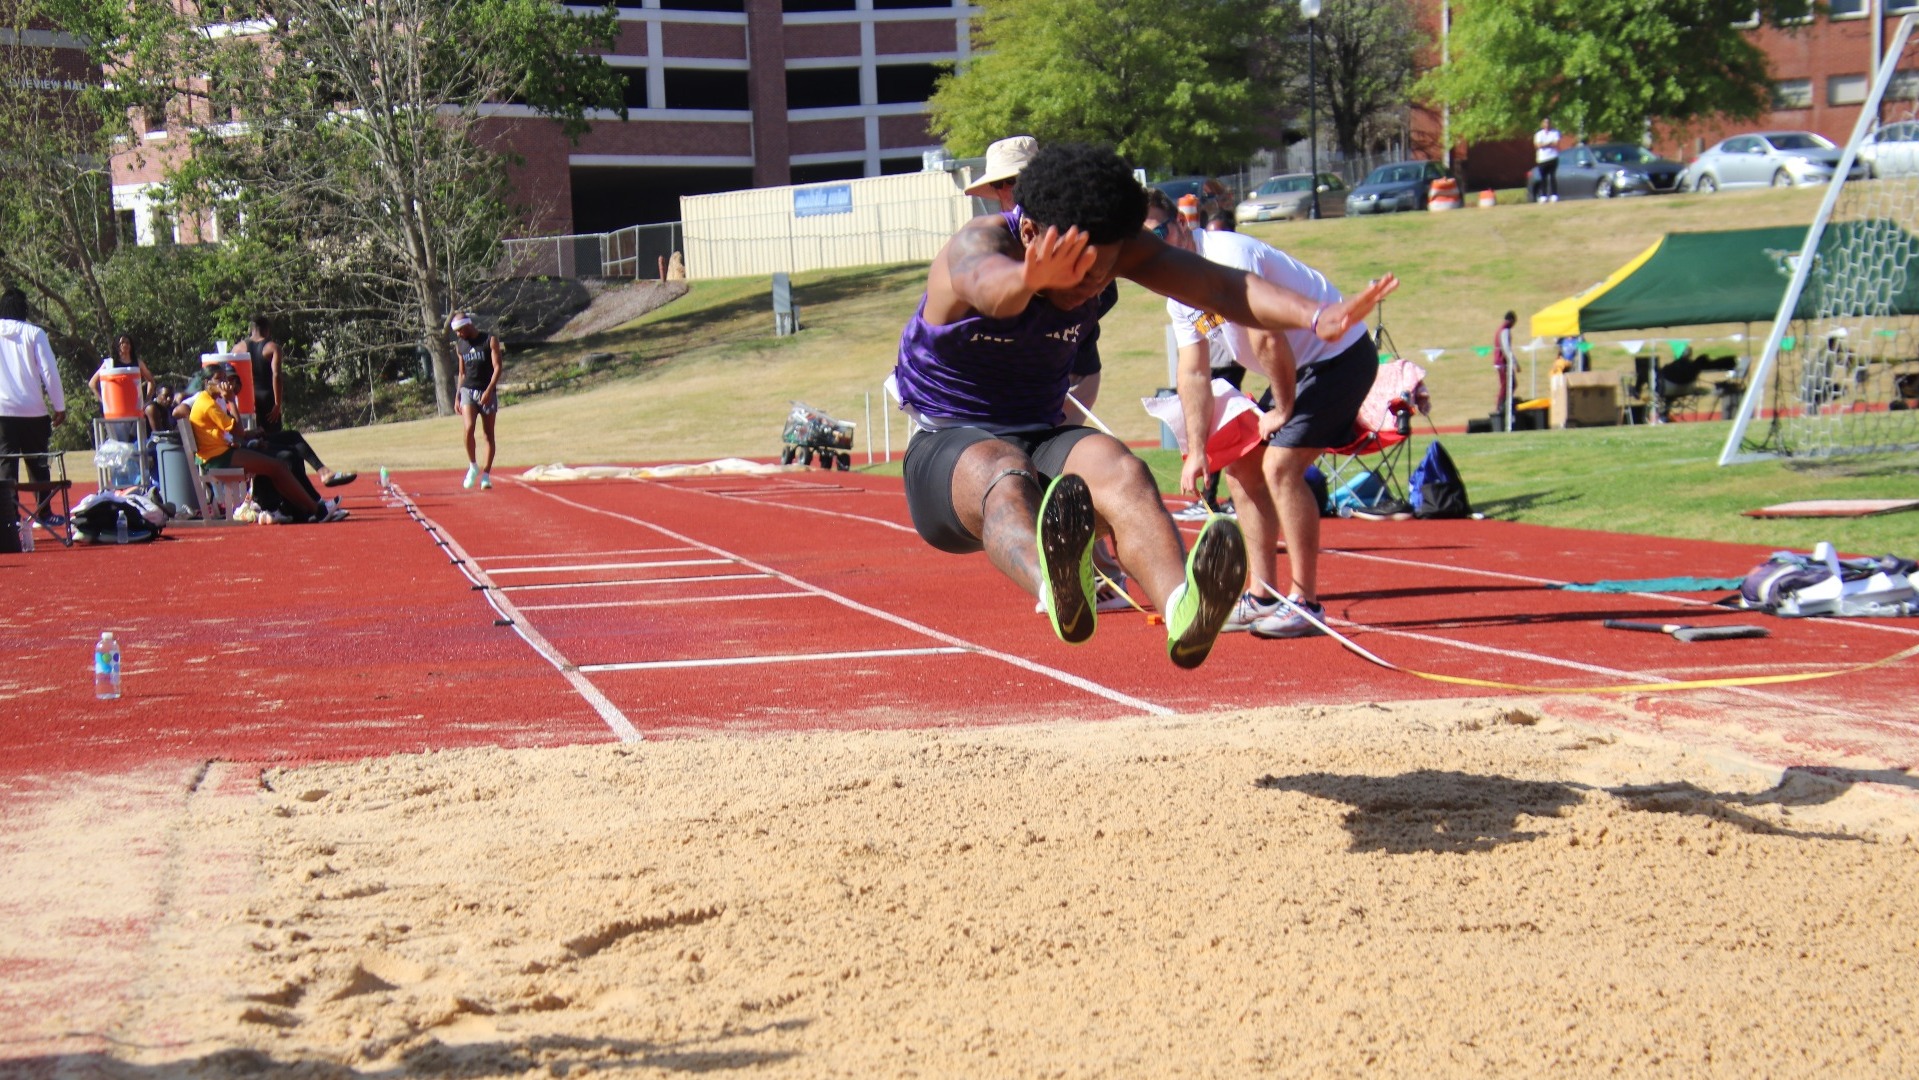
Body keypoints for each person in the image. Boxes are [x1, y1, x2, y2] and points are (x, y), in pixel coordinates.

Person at [891, 142, 1396, 668]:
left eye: (1103, 272)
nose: (1091, 285)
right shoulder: (977, 245)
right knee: (1004, 471)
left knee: (1121, 468)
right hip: (946, 444)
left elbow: (1221, 287)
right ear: (1030, 234)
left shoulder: (1114, 247)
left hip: (1040, 428)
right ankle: (1059, 585)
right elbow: (989, 289)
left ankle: (1184, 609)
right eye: (1079, 273)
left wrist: (1317, 316)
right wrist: (1032, 278)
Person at [1150, 190, 1385, 640]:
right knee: (1240, 467)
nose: (1158, 247)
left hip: (1339, 357)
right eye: (1147, 244)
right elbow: (1193, 371)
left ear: (1181, 223)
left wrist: (1283, 408)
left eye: (1160, 232)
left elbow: (1268, 341)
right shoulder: (1178, 294)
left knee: (1280, 466)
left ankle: (1306, 603)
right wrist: (1197, 450)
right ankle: (1262, 596)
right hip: (1298, 368)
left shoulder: (1227, 255)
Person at [970, 134, 1129, 610]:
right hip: (1023, 384)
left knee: (1058, 474)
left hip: (1071, 374)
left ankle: (1106, 570)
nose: (1008, 192)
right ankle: (1097, 571)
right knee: (1037, 477)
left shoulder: (1081, 230)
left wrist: (1063, 310)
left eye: (1016, 182)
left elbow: (1109, 287)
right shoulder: (995, 242)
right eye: (1000, 186)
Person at [177, 363, 343, 523]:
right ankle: (317, 510)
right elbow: (239, 431)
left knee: (278, 465)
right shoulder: (207, 404)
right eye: (219, 380)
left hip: (220, 453)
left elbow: (231, 434)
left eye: (225, 379)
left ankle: (305, 510)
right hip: (218, 459)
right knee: (278, 466)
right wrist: (232, 401)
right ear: (207, 383)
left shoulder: (210, 400)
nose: (225, 383)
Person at [0, 287, 68, 529]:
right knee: (38, 464)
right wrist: (59, 405)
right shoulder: (34, 333)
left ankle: (9, 517)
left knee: (6, 466)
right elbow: (49, 371)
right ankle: (44, 513)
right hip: (33, 410)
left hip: (2, 413)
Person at [451, 312, 503, 489]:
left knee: (488, 434)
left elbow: (497, 367)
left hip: (486, 391)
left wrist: (489, 390)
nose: (458, 335)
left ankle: (486, 475)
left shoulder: (489, 340)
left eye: (459, 331)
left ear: (467, 326)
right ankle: (473, 465)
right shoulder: (461, 345)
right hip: (468, 390)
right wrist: (458, 395)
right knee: (468, 428)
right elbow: (462, 372)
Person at [1492, 311, 1518, 421]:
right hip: (1502, 363)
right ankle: (1501, 406)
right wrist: (1515, 363)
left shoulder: (1500, 329)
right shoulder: (1505, 330)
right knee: (1508, 385)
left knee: (1510, 384)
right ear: (1511, 320)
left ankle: (1504, 404)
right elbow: (1506, 348)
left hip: (1501, 362)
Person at [1534, 118, 1562, 202]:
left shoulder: (1555, 133)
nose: (1547, 124)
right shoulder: (1539, 134)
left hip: (1553, 157)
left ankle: (1554, 195)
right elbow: (1538, 145)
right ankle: (1543, 195)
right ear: (1542, 124)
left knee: (1552, 176)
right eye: (1545, 123)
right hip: (1542, 159)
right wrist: (1549, 143)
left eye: (1548, 123)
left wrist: (1544, 144)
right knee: (1543, 178)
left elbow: (1556, 144)